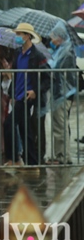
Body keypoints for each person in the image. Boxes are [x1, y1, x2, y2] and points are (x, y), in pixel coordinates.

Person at [3, 23, 50, 166]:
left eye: (20, 34)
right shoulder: (17, 54)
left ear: (28, 36)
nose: (17, 37)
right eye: (17, 34)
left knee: (9, 124)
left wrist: (36, 91)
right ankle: (31, 162)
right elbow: (16, 76)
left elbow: (48, 78)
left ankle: (13, 159)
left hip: (27, 98)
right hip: (17, 97)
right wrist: (11, 94)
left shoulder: (37, 56)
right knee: (25, 131)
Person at [47, 22, 77, 164]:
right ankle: (60, 154)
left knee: (60, 126)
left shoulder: (67, 53)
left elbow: (60, 72)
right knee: (57, 125)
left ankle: (63, 157)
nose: (51, 40)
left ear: (60, 37)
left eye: (53, 37)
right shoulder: (61, 51)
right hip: (58, 94)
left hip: (63, 94)